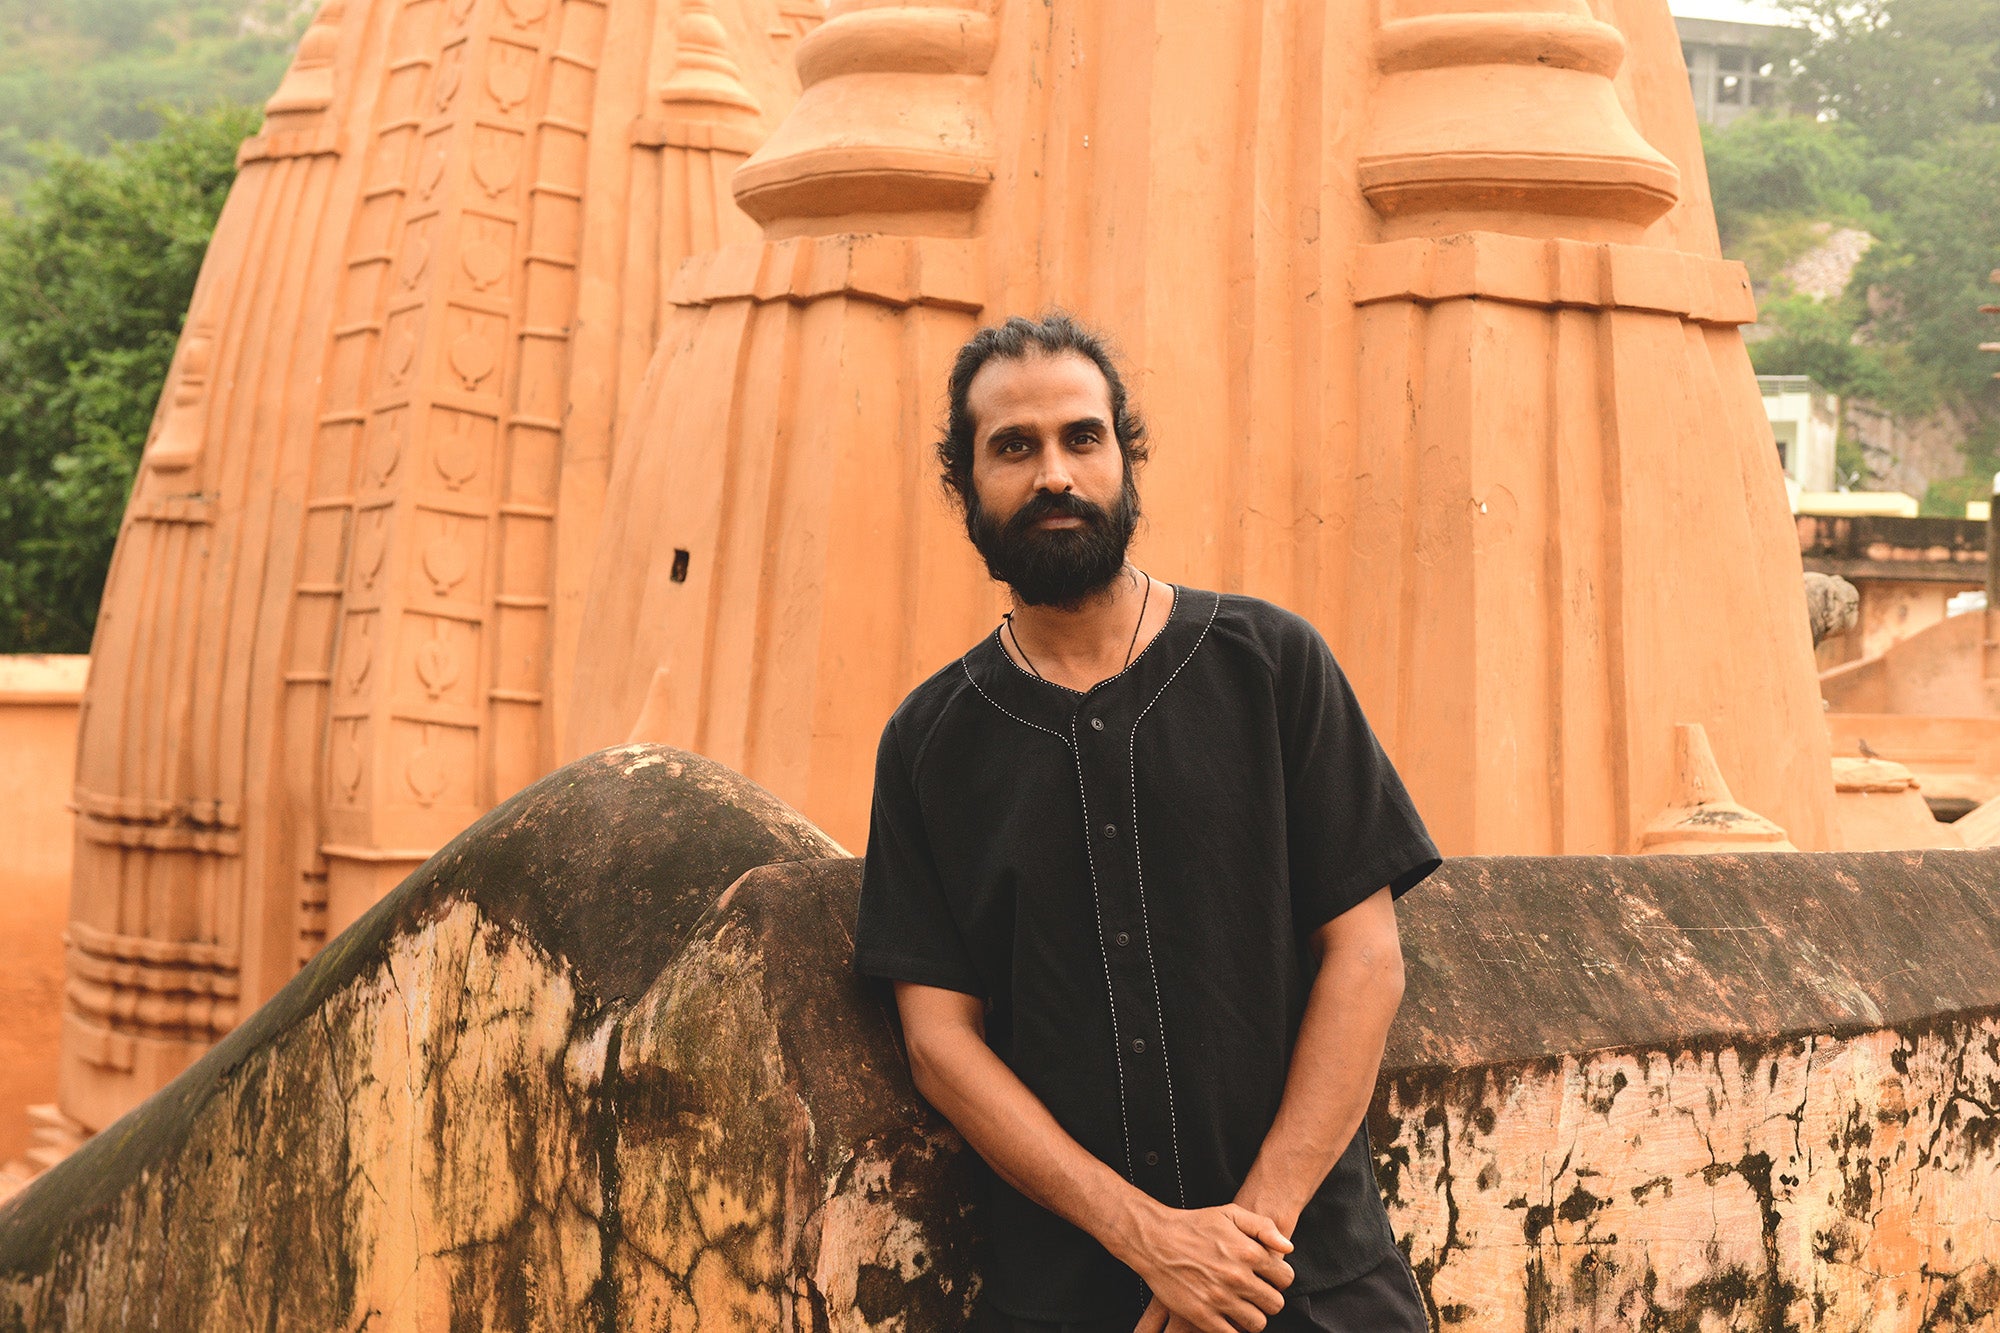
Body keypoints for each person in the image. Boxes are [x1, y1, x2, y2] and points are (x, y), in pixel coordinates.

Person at [852, 313, 1441, 1333]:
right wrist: (1148, 1239)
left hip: (1309, 1284)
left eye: (1081, 438)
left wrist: (1239, 1247)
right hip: (1071, 1301)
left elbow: (1365, 959)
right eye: (1012, 446)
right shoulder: (928, 742)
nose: (1053, 474)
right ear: (963, 484)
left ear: (1125, 457)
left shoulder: (1269, 665)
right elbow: (938, 1042)